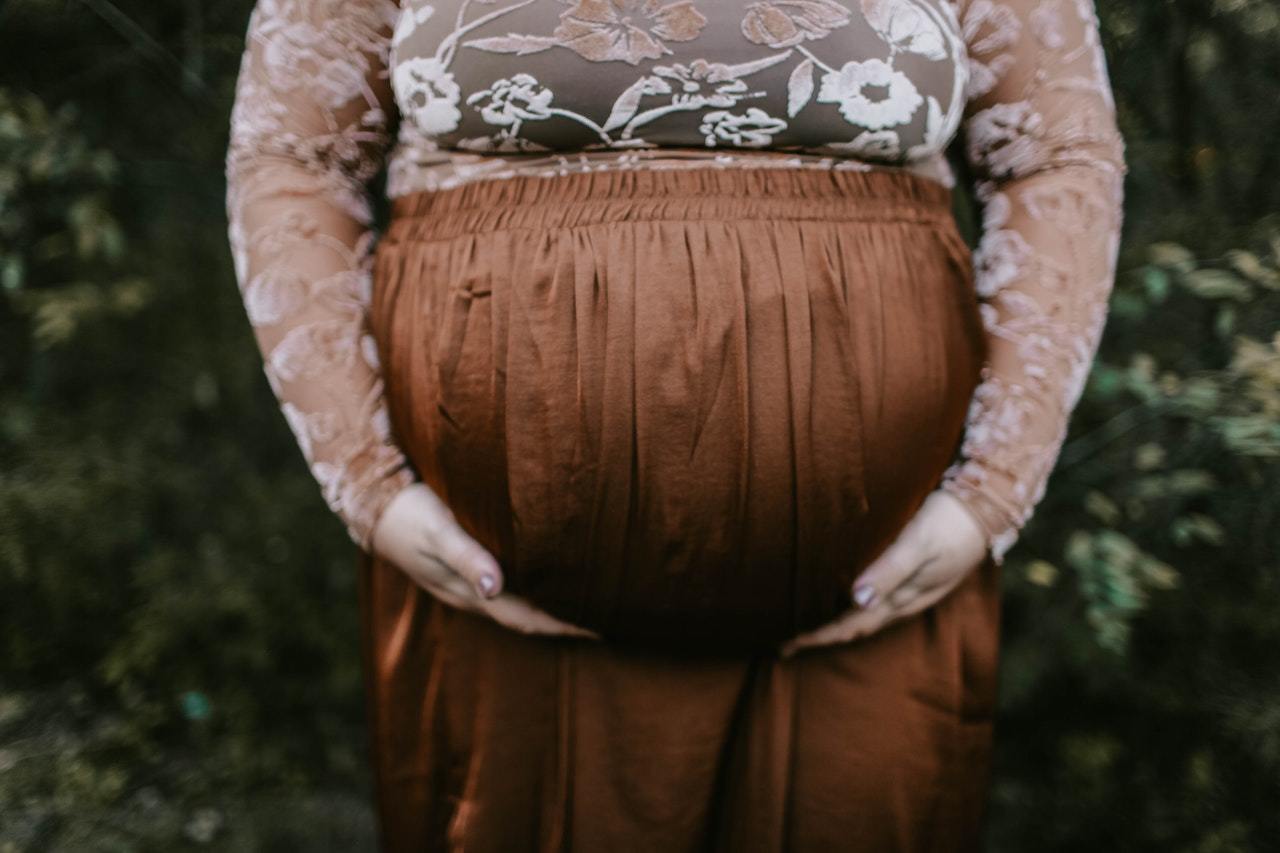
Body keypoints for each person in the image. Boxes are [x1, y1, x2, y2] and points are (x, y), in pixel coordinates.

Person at [225, 0, 1126, 849]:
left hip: (882, 593)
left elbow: (1053, 154)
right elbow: (295, 156)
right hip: (493, 600)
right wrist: (366, 478)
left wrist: (993, 487)